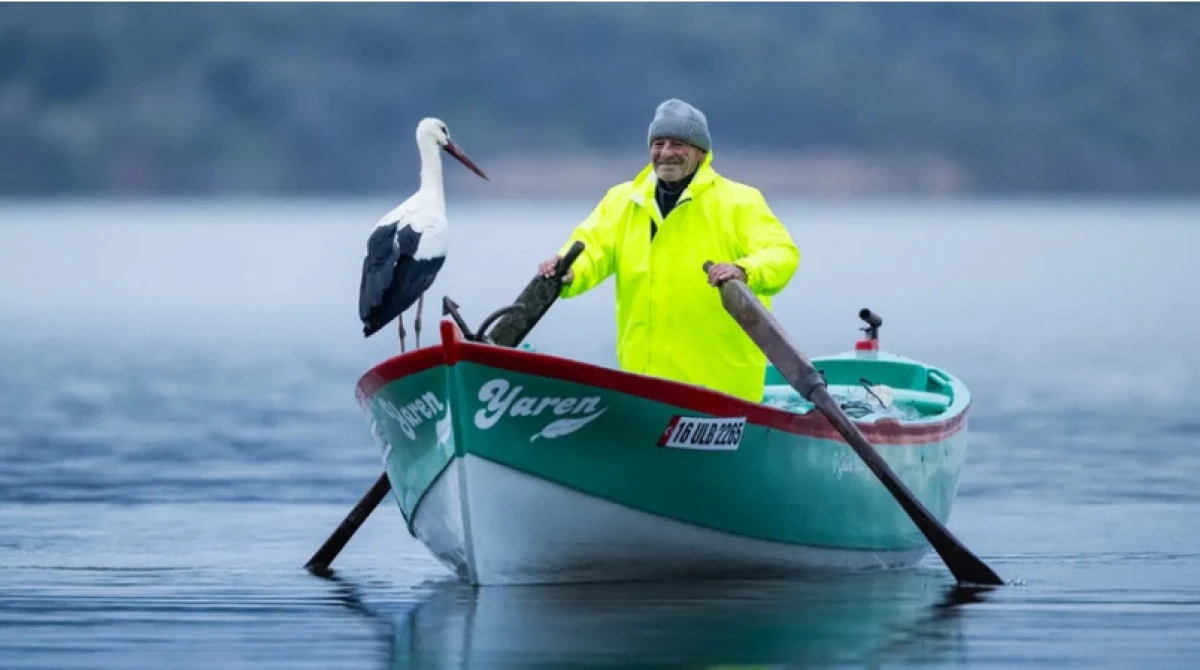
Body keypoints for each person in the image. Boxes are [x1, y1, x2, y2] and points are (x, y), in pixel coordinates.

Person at [537, 98, 800, 403]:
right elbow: (592, 248)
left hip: (724, 391)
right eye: (658, 143)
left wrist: (744, 270)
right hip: (644, 386)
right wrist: (568, 270)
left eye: (678, 144)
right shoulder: (622, 200)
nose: (666, 153)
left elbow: (781, 253)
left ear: (701, 152)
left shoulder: (739, 201)